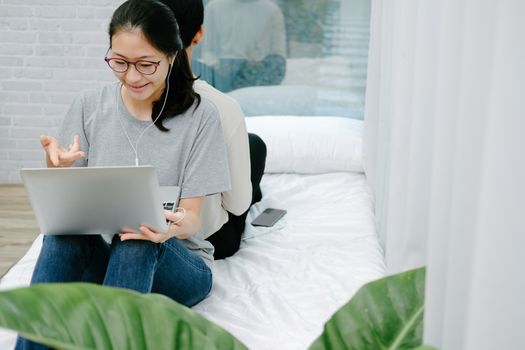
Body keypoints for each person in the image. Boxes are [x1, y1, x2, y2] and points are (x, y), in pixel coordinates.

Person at [15, 0, 231, 348]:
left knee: (137, 240)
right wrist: (57, 171)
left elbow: (192, 219)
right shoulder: (89, 105)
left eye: (146, 64)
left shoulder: (200, 117)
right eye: (119, 62)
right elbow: (70, 211)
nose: (132, 76)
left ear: (172, 56)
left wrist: (166, 229)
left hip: (178, 263)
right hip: (104, 256)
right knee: (60, 236)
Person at [159, 0, 267, 259]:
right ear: (199, 34)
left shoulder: (116, 101)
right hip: (208, 240)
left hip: (139, 225)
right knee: (254, 147)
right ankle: (257, 190)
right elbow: (238, 204)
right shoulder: (221, 107)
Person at [197, 0, 287, 92]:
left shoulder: (271, 10)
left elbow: (278, 56)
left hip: (257, 78)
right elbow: (207, 50)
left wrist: (259, 67)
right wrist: (216, 65)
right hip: (221, 77)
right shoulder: (213, 8)